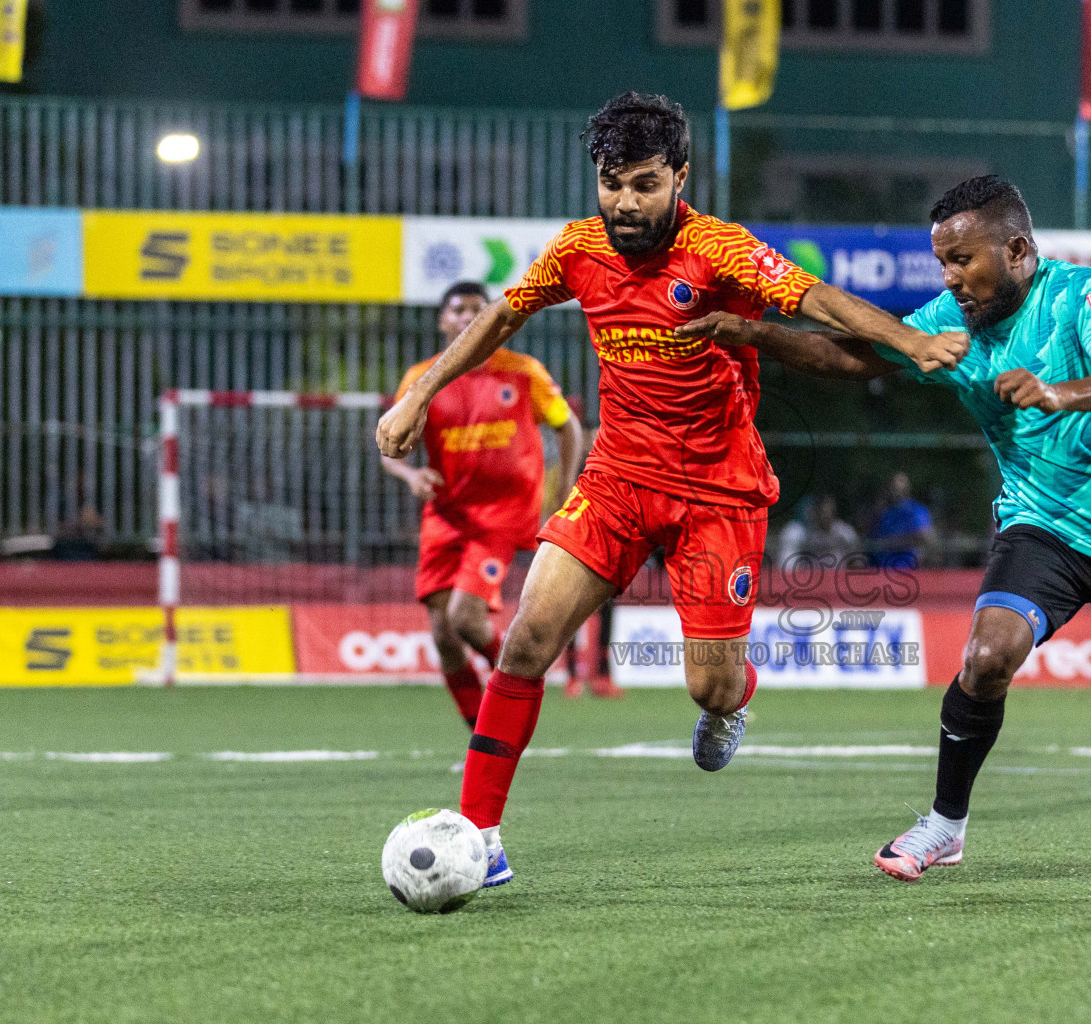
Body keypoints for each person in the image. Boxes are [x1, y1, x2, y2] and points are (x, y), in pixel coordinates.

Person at [375, 92, 967, 890]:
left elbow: (817, 299)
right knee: (525, 640)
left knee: (708, 683)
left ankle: (733, 700)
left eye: (645, 183)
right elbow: (500, 320)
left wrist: (909, 340)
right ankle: (481, 834)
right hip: (617, 478)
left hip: (718, 489)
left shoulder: (719, 249)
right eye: (612, 182)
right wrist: (419, 394)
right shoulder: (577, 250)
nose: (625, 201)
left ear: (679, 177)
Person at [678, 175, 1091, 899]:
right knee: (986, 655)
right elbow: (859, 357)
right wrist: (758, 335)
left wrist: (1058, 392)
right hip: (1041, 526)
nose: (951, 278)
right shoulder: (948, 318)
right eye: (943, 263)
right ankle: (945, 822)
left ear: (1018, 249)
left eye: (963, 259)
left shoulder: (1078, 292)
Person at [383, 281, 584, 732]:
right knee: (442, 634)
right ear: (441, 320)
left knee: (464, 617)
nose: (466, 318)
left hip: (503, 514)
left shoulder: (522, 371)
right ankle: (481, 732)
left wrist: (565, 492)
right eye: (457, 310)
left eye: (477, 310)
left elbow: (568, 427)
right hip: (446, 513)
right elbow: (387, 443)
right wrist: (410, 473)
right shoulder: (422, 379)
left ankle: (523, 675)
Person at [777, 493, 860, 567]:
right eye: (823, 512)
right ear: (816, 512)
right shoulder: (803, 533)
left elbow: (856, 559)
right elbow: (788, 564)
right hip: (811, 579)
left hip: (839, 578)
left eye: (830, 511)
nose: (826, 516)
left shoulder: (844, 533)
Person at [869, 472, 933, 567]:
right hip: (882, 568)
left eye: (898, 486)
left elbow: (923, 537)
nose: (894, 489)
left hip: (905, 568)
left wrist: (890, 543)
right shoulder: (887, 513)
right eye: (892, 486)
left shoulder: (916, 510)